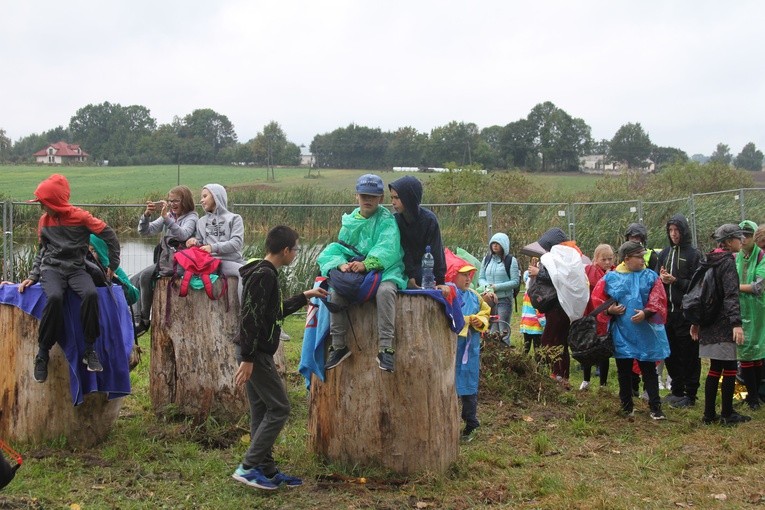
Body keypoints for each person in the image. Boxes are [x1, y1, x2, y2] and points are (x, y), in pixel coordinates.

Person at [231, 225, 327, 490]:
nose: (296, 254)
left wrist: (305, 296)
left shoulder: (262, 271)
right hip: (256, 353)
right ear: (285, 250)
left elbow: (272, 312)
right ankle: (248, 467)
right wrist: (248, 358)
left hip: (254, 351)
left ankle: (267, 470)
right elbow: (250, 316)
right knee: (280, 408)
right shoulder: (265, 275)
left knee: (261, 409)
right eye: (295, 249)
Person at [17, 174, 121, 382]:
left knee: (90, 294)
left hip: (76, 268)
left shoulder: (80, 217)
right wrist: (33, 275)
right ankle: (43, 352)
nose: (42, 208)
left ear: (54, 202)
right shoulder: (43, 221)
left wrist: (112, 263)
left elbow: (109, 234)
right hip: (51, 269)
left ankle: (89, 349)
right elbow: (42, 251)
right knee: (55, 297)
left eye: (44, 204)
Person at [319, 174, 407, 373]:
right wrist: (340, 264)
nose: (368, 200)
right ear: (356, 196)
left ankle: (386, 348)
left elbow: (388, 248)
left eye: (373, 196)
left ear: (381, 199)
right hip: (356, 271)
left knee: (385, 291)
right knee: (335, 292)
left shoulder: (386, 220)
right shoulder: (350, 222)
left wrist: (367, 264)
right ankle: (339, 345)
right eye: (364, 195)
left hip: (384, 270)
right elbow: (340, 248)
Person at [591, 241, 670, 420]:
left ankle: (655, 407)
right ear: (627, 259)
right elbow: (597, 299)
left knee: (648, 369)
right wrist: (609, 310)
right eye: (639, 257)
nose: (643, 260)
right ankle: (626, 406)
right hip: (622, 333)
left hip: (645, 333)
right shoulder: (611, 277)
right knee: (624, 370)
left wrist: (646, 312)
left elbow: (658, 299)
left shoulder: (650, 276)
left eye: (643, 256)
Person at [692, 224, 750, 425]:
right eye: (737, 237)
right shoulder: (726, 262)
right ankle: (727, 413)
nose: (741, 241)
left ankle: (709, 415)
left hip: (708, 322)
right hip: (723, 323)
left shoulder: (709, 260)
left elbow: (699, 292)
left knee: (715, 368)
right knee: (730, 367)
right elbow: (731, 295)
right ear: (727, 242)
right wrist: (736, 324)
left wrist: (696, 322)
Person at [132, 185, 198, 336]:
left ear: (185, 201)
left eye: (176, 201)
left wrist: (166, 219)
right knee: (132, 280)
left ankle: (144, 320)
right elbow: (145, 231)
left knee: (145, 276)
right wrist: (147, 215)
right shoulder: (169, 215)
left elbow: (183, 235)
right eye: (170, 201)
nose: (173, 204)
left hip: (180, 264)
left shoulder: (192, 217)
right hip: (165, 260)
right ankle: (137, 321)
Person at [528, 227, 588, 390]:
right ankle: (562, 376)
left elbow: (556, 278)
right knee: (560, 341)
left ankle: (555, 374)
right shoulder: (572, 256)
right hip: (568, 306)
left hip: (557, 305)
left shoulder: (554, 258)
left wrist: (537, 272)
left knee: (549, 340)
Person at [657, 214, 703, 408]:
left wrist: (676, 281)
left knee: (689, 355)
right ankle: (676, 390)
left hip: (686, 313)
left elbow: (698, 285)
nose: (674, 234)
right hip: (668, 313)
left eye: (677, 230)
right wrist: (662, 277)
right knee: (671, 353)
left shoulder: (694, 254)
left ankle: (690, 394)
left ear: (684, 231)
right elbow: (657, 279)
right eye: (671, 231)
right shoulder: (665, 253)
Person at [388, 175, 448, 293]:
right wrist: (410, 275)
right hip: (403, 268)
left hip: (424, 268)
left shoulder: (429, 220)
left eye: (397, 198)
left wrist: (441, 281)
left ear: (409, 198)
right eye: (391, 198)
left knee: (424, 277)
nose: (393, 202)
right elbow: (402, 249)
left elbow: (436, 251)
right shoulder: (395, 220)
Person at [452, 263, 491, 442]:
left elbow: (486, 312)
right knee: (450, 385)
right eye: (464, 275)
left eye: (471, 275)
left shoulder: (474, 296)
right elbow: (450, 316)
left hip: (470, 349)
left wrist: (480, 321)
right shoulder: (449, 294)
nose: (468, 279)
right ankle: (449, 422)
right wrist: (468, 320)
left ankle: (470, 423)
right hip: (452, 349)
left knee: (468, 384)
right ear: (453, 275)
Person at [186, 183, 246, 296]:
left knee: (254, 271)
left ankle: (250, 310)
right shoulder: (201, 221)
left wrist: (212, 247)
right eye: (201, 197)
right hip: (212, 262)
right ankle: (244, 311)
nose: (201, 200)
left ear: (216, 196)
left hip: (233, 260)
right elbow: (200, 242)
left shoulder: (235, 218)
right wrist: (194, 241)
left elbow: (237, 243)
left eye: (205, 196)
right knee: (244, 273)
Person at [735, 220, 765, 411]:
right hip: (741, 309)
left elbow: (757, 287)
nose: (743, 238)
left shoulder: (761, 257)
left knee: (757, 350)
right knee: (745, 352)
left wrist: (733, 288)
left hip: (758, 310)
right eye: (741, 235)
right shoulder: (738, 256)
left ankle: (756, 396)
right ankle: (752, 397)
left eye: (747, 235)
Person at [580, 243, 615, 390]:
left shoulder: (615, 272)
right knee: (588, 347)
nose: (607, 262)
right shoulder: (589, 271)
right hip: (590, 313)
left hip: (606, 316)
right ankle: (586, 379)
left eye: (610, 259)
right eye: (604, 259)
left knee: (603, 349)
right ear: (596, 259)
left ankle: (603, 383)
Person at [478, 232, 520, 346]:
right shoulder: (486, 259)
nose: (495, 246)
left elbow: (515, 282)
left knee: (503, 329)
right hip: (489, 299)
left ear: (504, 245)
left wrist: (496, 287)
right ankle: (493, 355)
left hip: (504, 300)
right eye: (493, 243)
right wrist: (487, 287)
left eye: (498, 243)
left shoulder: (511, 261)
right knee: (491, 329)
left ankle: (505, 354)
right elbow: (481, 278)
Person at [520, 257, 545, 360]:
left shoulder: (526, 294)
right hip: (536, 326)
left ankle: (522, 365)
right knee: (537, 349)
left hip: (526, 325)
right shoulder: (537, 295)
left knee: (525, 348)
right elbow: (539, 312)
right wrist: (545, 324)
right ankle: (538, 368)